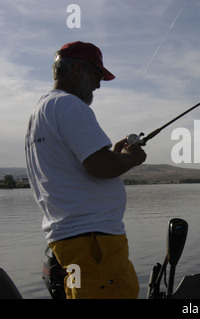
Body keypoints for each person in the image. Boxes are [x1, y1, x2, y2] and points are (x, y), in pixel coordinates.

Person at [25, 41, 147, 299]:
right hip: (94, 241)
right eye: (97, 75)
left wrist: (114, 156)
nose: (99, 84)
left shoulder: (41, 111)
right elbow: (100, 167)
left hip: (74, 239)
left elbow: (84, 167)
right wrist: (129, 159)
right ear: (78, 69)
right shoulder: (69, 105)